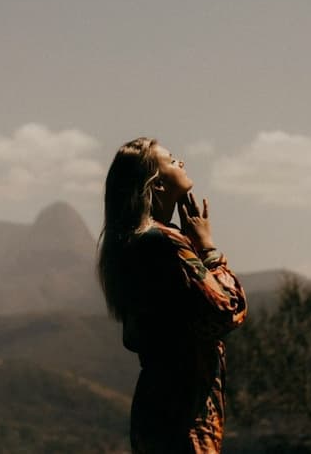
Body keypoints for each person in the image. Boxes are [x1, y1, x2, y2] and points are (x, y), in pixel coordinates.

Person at [98, 137, 248, 453]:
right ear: (157, 184)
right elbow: (227, 310)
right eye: (171, 160)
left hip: (157, 412)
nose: (181, 162)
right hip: (184, 414)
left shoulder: (133, 245)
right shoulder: (164, 244)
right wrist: (207, 248)